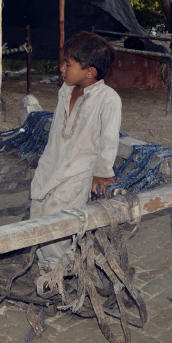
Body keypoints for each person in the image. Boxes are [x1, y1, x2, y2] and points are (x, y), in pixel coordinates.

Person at [30, 31, 121, 272]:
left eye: (68, 64)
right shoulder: (65, 91)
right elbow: (59, 128)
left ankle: (59, 269)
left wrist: (101, 172)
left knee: (57, 216)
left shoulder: (108, 99)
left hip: (79, 170)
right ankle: (45, 264)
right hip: (53, 162)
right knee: (38, 206)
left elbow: (109, 139)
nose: (62, 68)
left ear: (90, 72)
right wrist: (47, 153)